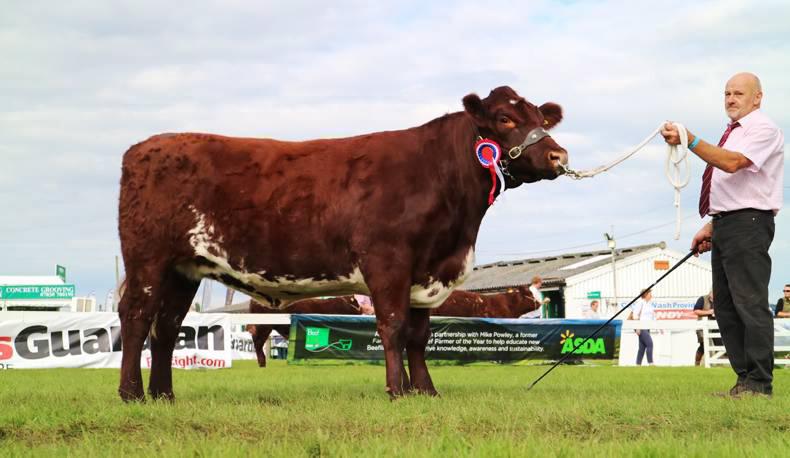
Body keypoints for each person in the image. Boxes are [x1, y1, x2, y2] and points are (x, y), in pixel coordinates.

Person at [661, 72, 784, 397]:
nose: (731, 99)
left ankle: (759, 383)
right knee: (727, 307)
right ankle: (744, 380)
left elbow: (732, 164)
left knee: (750, 303)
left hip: (750, 224)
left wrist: (691, 140)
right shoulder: (732, 133)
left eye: (739, 93)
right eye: (727, 93)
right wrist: (712, 226)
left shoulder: (763, 129)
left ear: (757, 97)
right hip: (728, 223)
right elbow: (733, 185)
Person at [629, 289, 655, 366]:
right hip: (641, 327)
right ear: (645, 294)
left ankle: (638, 364)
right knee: (650, 344)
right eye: (650, 293)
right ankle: (651, 363)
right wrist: (637, 327)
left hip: (647, 327)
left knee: (642, 347)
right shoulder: (640, 303)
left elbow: (651, 316)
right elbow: (635, 315)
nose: (651, 294)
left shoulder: (649, 304)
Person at [693, 291, 715, 366]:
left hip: (715, 326)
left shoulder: (721, 300)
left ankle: (716, 363)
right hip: (702, 327)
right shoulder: (702, 299)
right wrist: (710, 312)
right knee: (703, 345)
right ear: (710, 292)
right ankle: (697, 363)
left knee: (719, 344)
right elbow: (696, 311)